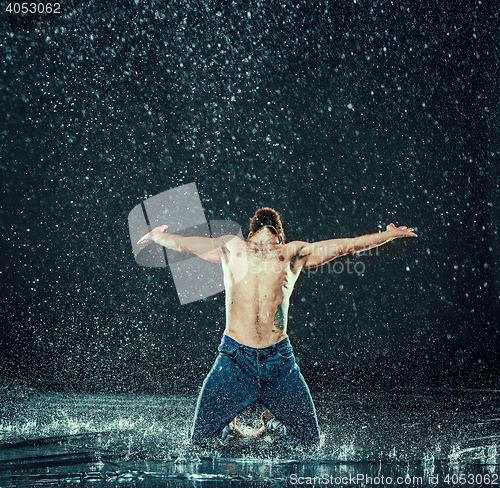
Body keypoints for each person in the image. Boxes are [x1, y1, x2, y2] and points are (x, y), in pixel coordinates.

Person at [138, 208, 417, 446]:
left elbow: (185, 245)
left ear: (251, 234)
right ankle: (230, 426)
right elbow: (349, 245)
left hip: (278, 362)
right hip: (236, 360)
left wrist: (158, 236)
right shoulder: (272, 250)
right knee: (206, 438)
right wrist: (387, 235)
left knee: (308, 440)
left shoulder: (245, 248)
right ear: (279, 234)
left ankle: (269, 423)